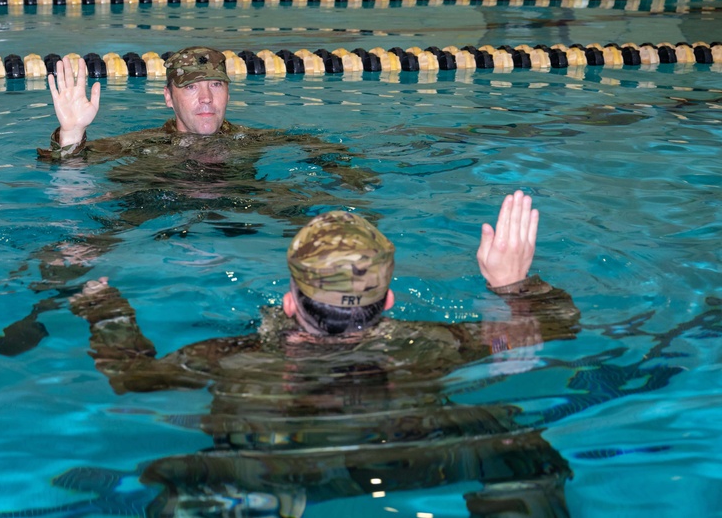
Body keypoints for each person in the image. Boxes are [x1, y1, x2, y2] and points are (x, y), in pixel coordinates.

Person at [62, 191, 581, 516]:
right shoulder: (434, 346)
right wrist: (513, 286)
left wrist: (103, 309)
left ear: (290, 301)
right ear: (390, 300)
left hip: (267, 473)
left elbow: (133, 378)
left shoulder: (230, 356)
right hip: (414, 460)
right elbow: (552, 327)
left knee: (191, 481)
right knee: (516, 441)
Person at [0, 47, 380, 356]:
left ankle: (344, 324)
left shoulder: (254, 139)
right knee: (66, 251)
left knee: (340, 236)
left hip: (244, 204)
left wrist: (354, 179)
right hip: (151, 210)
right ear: (168, 97)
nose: (207, 99)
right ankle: (41, 312)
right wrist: (71, 131)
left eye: (216, 85)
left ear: (229, 92)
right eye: (192, 88)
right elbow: (68, 170)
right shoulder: (139, 144)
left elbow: (325, 150)